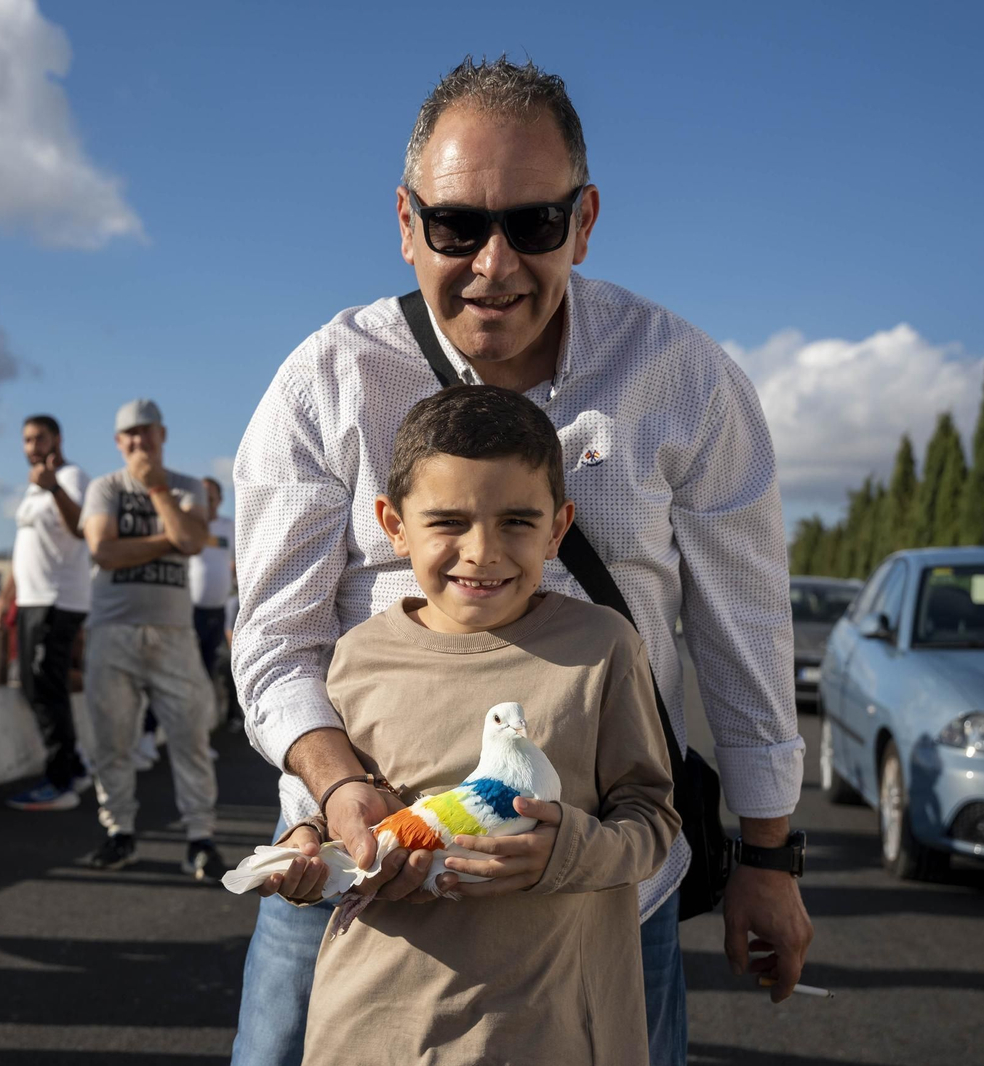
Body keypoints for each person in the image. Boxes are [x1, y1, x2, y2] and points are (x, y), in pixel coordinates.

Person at [230, 58, 810, 1066]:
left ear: (584, 221)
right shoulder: (326, 379)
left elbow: (742, 629)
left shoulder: (683, 379)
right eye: (457, 226)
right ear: (406, 222)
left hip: (602, 895)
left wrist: (769, 853)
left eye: (534, 225)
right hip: (352, 877)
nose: (494, 264)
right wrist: (341, 794)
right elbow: (275, 642)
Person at [270, 385, 678, 1063]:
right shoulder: (355, 658)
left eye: (517, 521)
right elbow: (335, 814)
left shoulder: (604, 646)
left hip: (548, 1034)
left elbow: (653, 822)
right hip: (371, 1029)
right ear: (393, 525)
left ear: (559, 526)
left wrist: (567, 850)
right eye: (448, 521)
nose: (483, 551)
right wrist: (306, 852)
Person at [78, 398, 225, 879]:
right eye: (130, 435)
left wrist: (158, 491)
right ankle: (119, 832)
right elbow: (103, 550)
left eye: (147, 433)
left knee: (190, 738)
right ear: (119, 443)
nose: (139, 442)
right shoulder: (104, 488)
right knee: (111, 740)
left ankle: (200, 838)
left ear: (162, 436)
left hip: (173, 633)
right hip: (112, 630)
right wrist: (172, 536)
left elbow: (191, 541)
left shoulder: (184, 487)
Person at [0, 415, 96, 812]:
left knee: (43, 685)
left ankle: (61, 780)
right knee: (35, 684)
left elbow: (79, 529)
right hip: (31, 599)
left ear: (57, 438)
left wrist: (53, 487)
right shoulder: (33, 489)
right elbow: (24, 548)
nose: (32, 446)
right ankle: (72, 765)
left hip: (58, 600)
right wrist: (6, 596)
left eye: (39, 438)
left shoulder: (71, 478)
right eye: (26, 439)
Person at [189, 476, 235, 717]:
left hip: (219, 610)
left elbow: (238, 560)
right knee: (187, 669)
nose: (208, 501)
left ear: (219, 499)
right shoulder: (189, 525)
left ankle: (204, 727)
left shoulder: (229, 526)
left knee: (210, 667)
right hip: (190, 610)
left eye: (211, 496)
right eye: (202, 496)